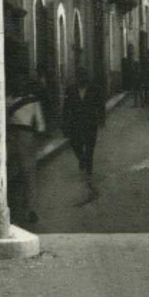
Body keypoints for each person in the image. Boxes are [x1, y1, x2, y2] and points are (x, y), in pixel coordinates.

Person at [6, 76, 47, 228]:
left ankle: (20, 210)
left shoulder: (8, 99)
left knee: (17, 173)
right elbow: (41, 123)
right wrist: (40, 137)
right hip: (21, 135)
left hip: (15, 136)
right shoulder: (31, 101)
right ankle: (27, 209)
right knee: (27, 173)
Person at [65, 69, 104, 203]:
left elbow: (101, 105)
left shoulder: (95, 89)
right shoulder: (70, 90)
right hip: (75, 124)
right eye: (79, 77)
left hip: (90, 124)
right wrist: (64, 123)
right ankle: (82, 160)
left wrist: (101, 119)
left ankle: (88, 172)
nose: (81, 79)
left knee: (90, 148)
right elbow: (66, 107)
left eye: (84, 76)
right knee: (75, 145)